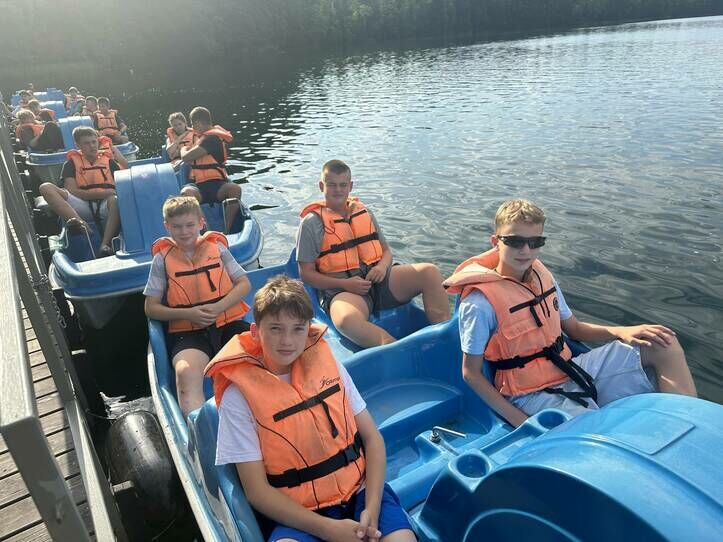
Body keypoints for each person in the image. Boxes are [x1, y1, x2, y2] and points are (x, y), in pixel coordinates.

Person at [444, 199, 698, 426]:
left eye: (535, 242)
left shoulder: (542, 275)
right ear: (495, 242)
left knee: (662, 343)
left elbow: (574, 329)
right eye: (515, 241)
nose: (526, 251)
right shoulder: (479, 303)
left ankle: (690, 424)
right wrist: (523, 423)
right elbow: (471, 373)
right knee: (598, 430)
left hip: (569, 369)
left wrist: (622, 331)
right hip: (528, 394)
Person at [206, 275, 416, 542]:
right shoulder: (239, 397)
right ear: (256, 332)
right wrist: (328, 529)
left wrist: (372, 510)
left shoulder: (329, 365)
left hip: (360, 492)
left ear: (308, 329)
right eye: (275, 328)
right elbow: (257, 491)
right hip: (299, 513)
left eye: (297, 328)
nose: (287, 340)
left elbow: (373, 438)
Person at [297, 159, 450, 347]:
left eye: (343, 185)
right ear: (322, 186)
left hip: (379, 280)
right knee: (346, 320)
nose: (338, 190)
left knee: (429, 272)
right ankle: (393, 348)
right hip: (344, 291)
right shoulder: (311, 224)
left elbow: (386, 252)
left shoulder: (364, 212)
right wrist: (345, 284)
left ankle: (445, 339)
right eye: (332, 185)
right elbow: (306, 274)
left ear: (350, 186)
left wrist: (381, 267)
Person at [144, 196, 252, 417]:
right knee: (185, 373)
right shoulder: (161, 260)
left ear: (201, 223)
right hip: (189, 333)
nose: (184, 232)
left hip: (228, 323)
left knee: (256, 361)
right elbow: (151, 308)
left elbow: (244, 284)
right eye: (177, 227)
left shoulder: (218, 248)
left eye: (190, 225)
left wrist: (219, 307)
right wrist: (189, 314)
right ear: (167, 227)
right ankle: (201, 429)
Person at [38, 127, 121, 256]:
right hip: (81, 206)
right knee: (45, 187)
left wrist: (116, 151)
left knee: (114, 200)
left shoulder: (110, 162)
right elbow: (73, 191)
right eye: (86, 143)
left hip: (106, 205)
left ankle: (105, 244)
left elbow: (122, 184)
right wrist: (105, 193)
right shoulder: (71, 164)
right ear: (78, 145)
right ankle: (81, 225)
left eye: (94, 142)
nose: (92, 146)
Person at [180, 106, 241, 231]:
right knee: (187, 193)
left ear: (198, 123)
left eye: (193, 124)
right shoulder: (202, 138)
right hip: (199, 187)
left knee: (234, 189)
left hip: (218, 185)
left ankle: (228, 229)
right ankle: (204, 230)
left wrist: (183, 149)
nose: (193, 127)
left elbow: (186, 157)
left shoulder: (211, 139)